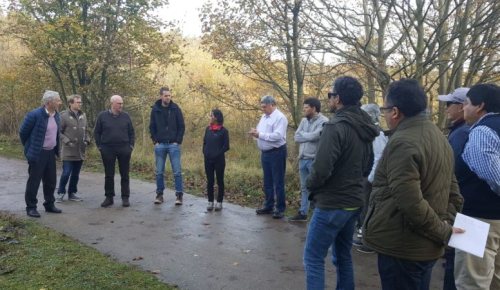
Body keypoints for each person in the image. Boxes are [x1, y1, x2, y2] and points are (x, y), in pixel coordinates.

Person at [363, 79, 464, 290]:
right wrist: (445, 222)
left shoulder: (403, 142)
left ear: (395, 112)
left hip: (403, 247)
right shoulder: (438, 135)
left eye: (385, 110)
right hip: (423, 246)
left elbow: (409, 201)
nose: (385, 115)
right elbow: (453, 190)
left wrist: (443, 231)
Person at [303, 76, 379, 290]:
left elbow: (321, 169)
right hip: (355, 202)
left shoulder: (335, 126)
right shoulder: (365, 126)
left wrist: (310, 185)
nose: (329, 100)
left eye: (330, 95)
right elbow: (368, 164)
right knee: (343, 257)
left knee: (313, 259)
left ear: (338, 99)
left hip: (332, 204)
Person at [454, 83, 500, 290]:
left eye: (466, 103)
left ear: (480, 106)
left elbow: (493, 174)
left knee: (470, 282)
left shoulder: (482, 131)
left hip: (476, 219)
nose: (463, 108)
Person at [437, 87, 470, 290]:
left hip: (463, 210)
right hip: (465, 207)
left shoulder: (461, 134)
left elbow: (451, 171)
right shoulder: (462, 130)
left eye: (450, 104)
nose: (446, 108)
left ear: (461, 106)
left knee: (456, 264)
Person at [19, 90, 63, 217]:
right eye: (58, 100)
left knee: (50, 181)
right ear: (49, 102)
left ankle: (49, 204)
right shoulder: (34, 115)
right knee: (34, 181)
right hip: (38, 153)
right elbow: (23, 133)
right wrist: (30, 148)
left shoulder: (56, 115)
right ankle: (31, 207)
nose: (60, 102)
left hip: (50, 153)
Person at [353, 103, 388, 254]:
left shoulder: (378, 134)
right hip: (363, 175)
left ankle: (369, 239)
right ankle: (363, 234)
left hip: (370, 177)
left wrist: (370, 178)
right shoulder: (368, 131)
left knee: (368, 207)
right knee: (363, 206)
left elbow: (379, 157)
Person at [289, 97, 328, 222]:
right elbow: (296, 137)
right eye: (304, 107)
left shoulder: (324, 121)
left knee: (316, 187)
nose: (304, 110)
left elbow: (316, 135)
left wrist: (304, 136)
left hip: (314, 160)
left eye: (306, 108)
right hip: (302, 158)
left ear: (314, 108)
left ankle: (318, 214)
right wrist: (308, 136)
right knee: (304, 187)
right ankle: (303, 212)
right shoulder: (303, 121)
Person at [249, 95, 288, 219]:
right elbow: (261, 132)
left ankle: (280, 208)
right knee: (268, 181)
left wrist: (259, 134)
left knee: (278, 181)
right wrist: (255, 132)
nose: (263, 109)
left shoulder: (280, 118)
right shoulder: (263, 117)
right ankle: (269, 205)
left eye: (264, 107)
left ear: (272, 104)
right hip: (265, 153)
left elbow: (277, 136)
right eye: (261, 107)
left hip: (277, 152)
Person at [94, 95, 135, 208]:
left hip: (124, 148)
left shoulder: (126, 116)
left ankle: (125, 197)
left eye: (122, 103)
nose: (121, 105)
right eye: (119, 103)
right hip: (107, 148)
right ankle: (109, 197)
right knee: (109, 174)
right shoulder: (102, 116)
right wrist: (100, 146)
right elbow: (97, 132)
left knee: (125, 174)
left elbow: (131, 132)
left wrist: (130, 146)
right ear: (112, 103)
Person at [149, 86, 185, 206]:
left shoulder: (175, 109)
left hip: (173, 144)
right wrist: (155, 141)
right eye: (166, 95)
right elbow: (152, 126)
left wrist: (177, 141)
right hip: (160, 145)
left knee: (177, 172)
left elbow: (181, 126)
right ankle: (159, 195)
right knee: (159, 172)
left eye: (169, 95)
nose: (168, 97)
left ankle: (179, 195)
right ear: (161, 96)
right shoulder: (155, 109)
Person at [56, 94, 90, 202]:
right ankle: (61, 193)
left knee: (76, 174)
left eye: (80, 102)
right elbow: (58, 132)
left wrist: (87, 139)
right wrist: (67, 141)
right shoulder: (63, 116)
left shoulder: (83, 115)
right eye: (77, 102)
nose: (80, 104)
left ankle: (72, 193)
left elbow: (86, 130)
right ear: (70, 103)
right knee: (66, 173)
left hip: (80, 151)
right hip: (68, 150)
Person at [203, 109, 230, 211]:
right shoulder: (207, 129)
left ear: (216, 118)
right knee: (210, 181)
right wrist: (205, 152)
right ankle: (210, 201)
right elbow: (204, 142)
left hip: (219, 160)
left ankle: (219, 202)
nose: (210, 117)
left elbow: (226, 146)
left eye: (211, 116)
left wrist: (217, 154)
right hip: (208, 159)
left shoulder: (224, 131)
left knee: (220, 181)